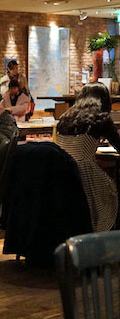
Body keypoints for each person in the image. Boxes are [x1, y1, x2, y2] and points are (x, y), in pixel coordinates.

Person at [56, 82, 120, 231]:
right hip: (87, 177)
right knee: (113, 189)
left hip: (62, 175)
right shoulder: (100, 119)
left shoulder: (64, 118)